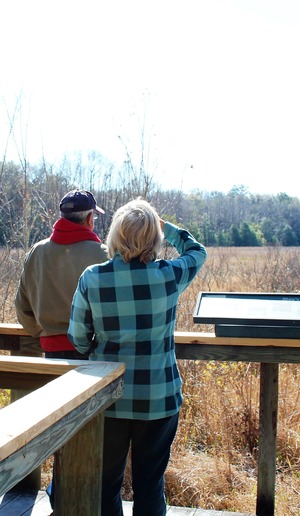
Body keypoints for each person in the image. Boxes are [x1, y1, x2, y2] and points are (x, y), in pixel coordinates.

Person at [67, 199, 207, 516]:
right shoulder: (169, 275)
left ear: (115, 236)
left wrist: (97, 350)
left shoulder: (92, 278)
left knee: (105, 485)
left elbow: (76, 338)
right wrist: (165, 226)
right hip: (159, 396)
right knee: (150, 484)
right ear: (154, 239)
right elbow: (197, 252)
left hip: (107, 397)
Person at [15, 189, 108, 359]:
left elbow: (22, 308)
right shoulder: (103, 255)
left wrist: (45, 333)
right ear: (89, 219)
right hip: (95, 352)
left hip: (51, 352)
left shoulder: (37, 252)